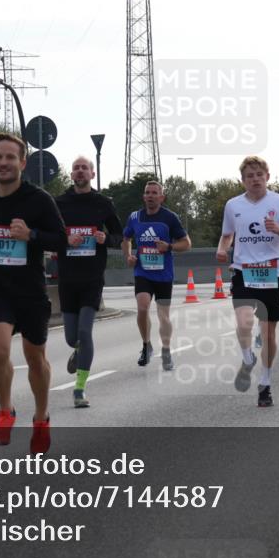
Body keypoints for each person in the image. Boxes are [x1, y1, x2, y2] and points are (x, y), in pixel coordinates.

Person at [0, 132, 67, 450]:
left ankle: (40, 417)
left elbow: (60, 240)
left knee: (35, 359)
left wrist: (31, 234)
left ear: (22, 163)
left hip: (31, 292)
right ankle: (5, 412)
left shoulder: (39, 200)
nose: (3, 163)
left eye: (10, 158)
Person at [217, 155, 279, 406]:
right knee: (244, 324)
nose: (255, 179)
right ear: (242, 180)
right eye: (249, 176)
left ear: (268, 176)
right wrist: (223, 249)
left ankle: (265, 383)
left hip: (272, 273)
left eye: (259, 174)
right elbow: (227, 235)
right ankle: (247, 358)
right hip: (244, 271)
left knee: (267, 333)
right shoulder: (233, 205)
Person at [54, 156, 123, 408]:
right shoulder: (58, 203)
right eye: (76, 168)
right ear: (71, 175)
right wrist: (63, 241)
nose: (80, 171)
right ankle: (77, 351)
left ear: (92, 175)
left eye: (84, 168)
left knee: (85, 331)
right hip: (67, 278)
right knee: (72, 338)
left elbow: (120, 235)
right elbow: (49, 235)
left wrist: (107, 238)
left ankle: (80, 388)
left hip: (92, 277)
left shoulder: (103, 203)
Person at [122, 181, 191, 371]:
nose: (150, 196)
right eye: (147, 193)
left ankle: (167, 351)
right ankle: (146, 345)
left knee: (163, 316)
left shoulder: (170, 218)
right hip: (142, 271)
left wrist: (169, 247)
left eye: (154, 193)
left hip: (163, 274)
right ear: (143, 197)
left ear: (162, 197)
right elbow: (126, 238)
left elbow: (186, 243)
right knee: (142, 307)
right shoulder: (135, 217)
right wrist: (128, 255)